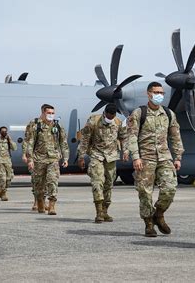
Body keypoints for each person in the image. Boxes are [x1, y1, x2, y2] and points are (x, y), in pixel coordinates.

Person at [127, 82, 184, 237]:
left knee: (170, 189)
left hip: (165, 157)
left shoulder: (169, 114)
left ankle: (158, 214)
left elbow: (175, 136)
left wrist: (178, 157)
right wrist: (136, 157)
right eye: (156, 92)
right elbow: (131, 137)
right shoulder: (139, 113)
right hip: (146, 158)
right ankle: (149, 224)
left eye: (162, 92)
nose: (159, 95)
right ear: (148, 94)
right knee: (145, 193)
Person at [77, 103, 128, 223]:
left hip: (111, 157)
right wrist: (81, 156)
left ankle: (105, 211)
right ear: (105, 113)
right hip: (97, 155)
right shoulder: (93, 121)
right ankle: (99, 212)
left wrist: (125, 151)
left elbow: (124, 137)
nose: (110, 119)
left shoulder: (118, 122)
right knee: (97, 182)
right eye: (108, 116)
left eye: (112, 117)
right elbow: (85, 139)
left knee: (109, 184)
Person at [25, 104, 69, 215]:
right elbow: (29, 143)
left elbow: (63, 143)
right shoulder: (35, 125)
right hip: (39, 159)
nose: (51, 115)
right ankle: (40, 202)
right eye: (48, 113)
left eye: (52, 113)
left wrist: (66, 158)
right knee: (39, 184)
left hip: (53, 159)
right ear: (43, 113)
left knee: (52, 181)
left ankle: (52, 206)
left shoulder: (58, 127)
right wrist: (30, 159)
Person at [0, 126, 17, 201]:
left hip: (8, 162)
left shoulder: (8, 140)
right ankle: (3, 194)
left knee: (9, 178)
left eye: (5, 131)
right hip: (0, 162)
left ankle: (2, 190)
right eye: (3, 131)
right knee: (2, 179)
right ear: (0, 132)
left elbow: (14, 148)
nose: (4, 132)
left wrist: (10, 140)